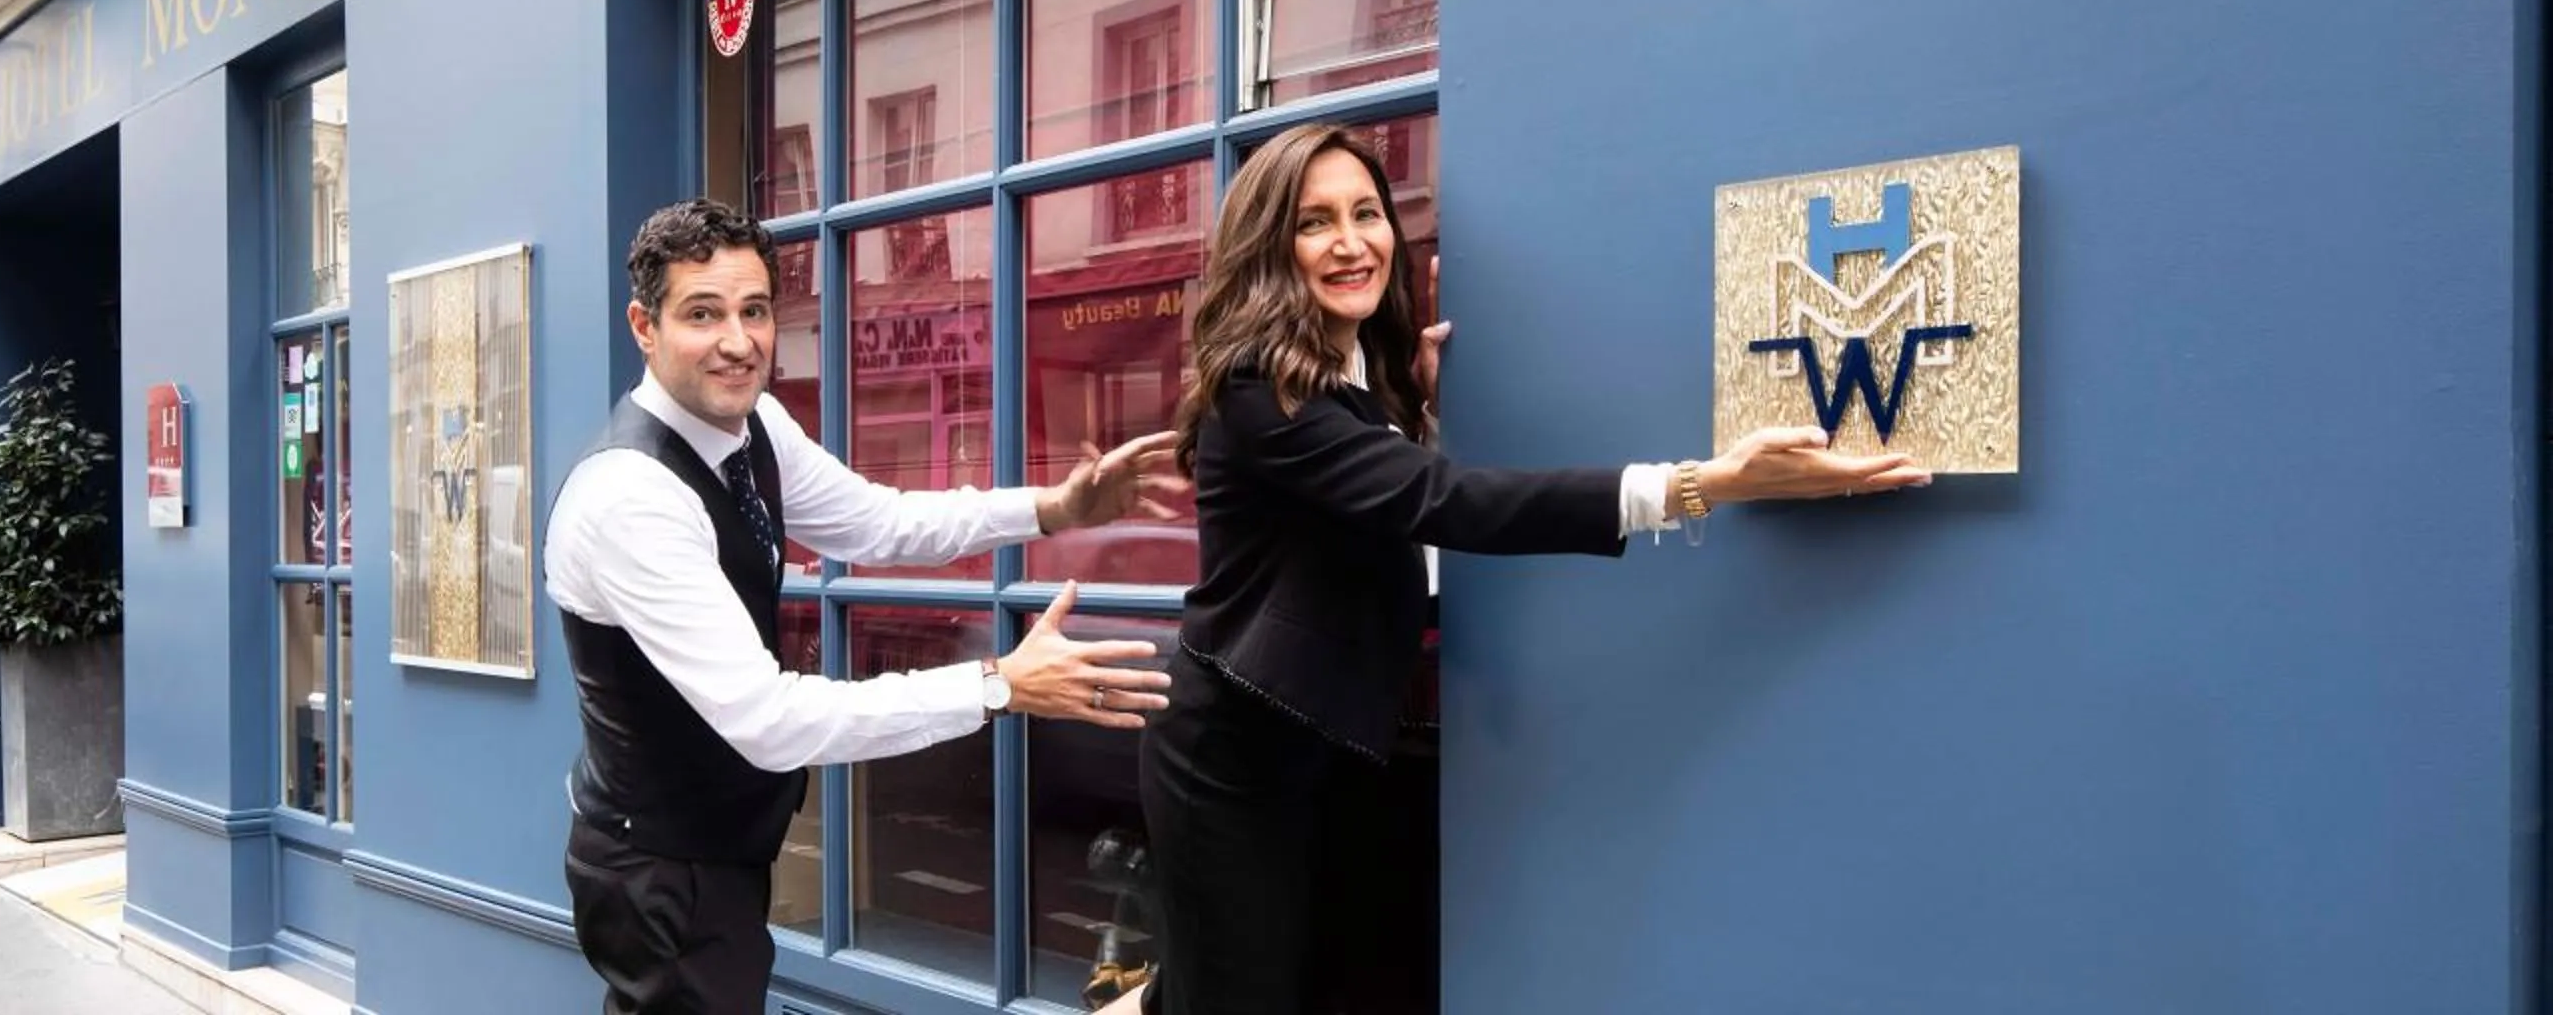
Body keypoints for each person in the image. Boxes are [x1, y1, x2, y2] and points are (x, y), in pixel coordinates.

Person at [1132, 124, 1931, 1015]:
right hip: (1232, 754)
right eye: (1316, 223)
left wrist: (1420, 404)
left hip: (1324, 740)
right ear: (1270, 248)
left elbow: (1385, 503)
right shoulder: (1258, 391)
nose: (1353, 241)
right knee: (1237, 994)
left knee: (1285, 979)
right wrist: (1706, 484)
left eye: (1368, 212)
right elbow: (1445, 503)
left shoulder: (1357, 369)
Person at [549, 197, 1185, 1015]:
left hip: (715, 855)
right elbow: (768, 718)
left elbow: (879, 522)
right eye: (702, 315)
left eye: (755, 311)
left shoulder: (755, 429)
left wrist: (1051, 509)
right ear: (644, 325)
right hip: (659, 872)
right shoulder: (629, 496)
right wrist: (996, 685)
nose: (738, 343)